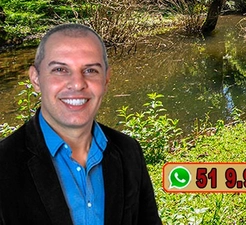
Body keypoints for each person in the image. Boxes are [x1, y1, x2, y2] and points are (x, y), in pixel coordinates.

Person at [0, 23, 162, 225]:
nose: (77, 84)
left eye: (91, 70)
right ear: (36, 78)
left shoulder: (129, 151)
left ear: (106, 79)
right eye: (60, 69)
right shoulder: (4, 163)